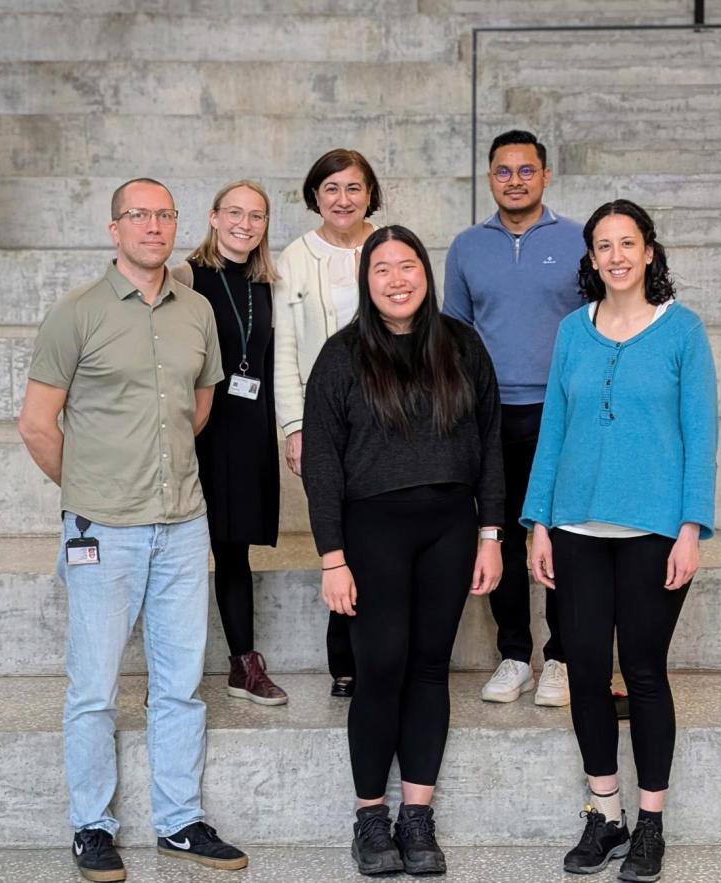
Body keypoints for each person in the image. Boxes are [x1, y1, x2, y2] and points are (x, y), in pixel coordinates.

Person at [18, 177, 249, 881]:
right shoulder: (76, 314)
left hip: (182, 524)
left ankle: (180, 820)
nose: (153, 226)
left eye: (164, 215)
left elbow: (198, 407)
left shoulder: (198, 311)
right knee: (93, 686)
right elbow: (37, 423)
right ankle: (92, 825)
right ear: (114, 228)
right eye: (138, 215)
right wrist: (91, 490)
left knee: (179, 684)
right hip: (103, 528)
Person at [521, 199, 718, 883]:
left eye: (627, 242)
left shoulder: (683, 331)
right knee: (582, 669)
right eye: (602, 245)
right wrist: (537, 521)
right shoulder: (574, 330)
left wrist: (691, 528)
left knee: (642, 669)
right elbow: (552, 429)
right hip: (574, 527)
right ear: (592, 257)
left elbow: (702, 435)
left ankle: (650, 822)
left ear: (650, 252)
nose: (615, 255)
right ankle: (604, 814)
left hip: (654, 531)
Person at [302, 226, 504, 877]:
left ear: (426, 271)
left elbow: (492, 441)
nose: (396, 278)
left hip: (450, 526)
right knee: (381, 666)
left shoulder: (462, 345)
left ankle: (417, 816)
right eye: (382, 267)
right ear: (366, 279)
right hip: (372, 532)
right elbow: (323, 467)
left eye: (407, 265)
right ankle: (370, 818)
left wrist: (491, 533)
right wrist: (332, 557)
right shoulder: (340, 355)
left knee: (428, 668)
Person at [443, 129, 585, 707]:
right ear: (490, 178)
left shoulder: (578, 240)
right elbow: (453, 333)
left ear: (545, 176)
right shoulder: (467, 247)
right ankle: (514, 654)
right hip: (491, 413)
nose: (515, 181)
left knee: (564, 534)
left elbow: (598, 322)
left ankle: (562, 657)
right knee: (497, 529)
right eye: (503, 171)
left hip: (562, 412)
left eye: (526, 171)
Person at [171, 180, 286, 706]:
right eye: (234, 213)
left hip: (247, 433)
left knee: (234, 550)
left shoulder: (265, 282)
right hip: (199, 431)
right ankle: (171, 668)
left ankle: (244, 663)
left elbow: (264, 364)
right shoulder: (186, 276)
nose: (245, 223)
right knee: (183, 552)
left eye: (256, 215)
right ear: (214, 217)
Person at [274, 147, 382, 698]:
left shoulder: (390, 248)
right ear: (315, 195)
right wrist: (295, 427)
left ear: (370, 194)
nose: (343, 199)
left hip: (391, 419)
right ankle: (345, 658)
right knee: (340, 533)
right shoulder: (295, 257)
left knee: (381, 535)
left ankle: (386, 650)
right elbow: (286, 351)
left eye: (353, 188)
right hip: (329, 417)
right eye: (331, 188)